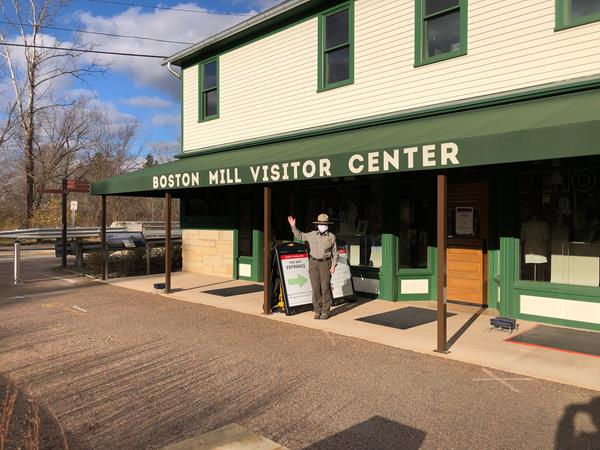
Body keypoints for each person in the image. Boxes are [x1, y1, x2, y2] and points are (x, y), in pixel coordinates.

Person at [287, 213, 338, 320]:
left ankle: (325, 311)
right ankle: (317, 310)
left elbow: (335, 253)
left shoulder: (332, 237)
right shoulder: (312, 234)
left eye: (324, 224)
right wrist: (293, 226)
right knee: (315, 288)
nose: (322, 225)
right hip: (313, 263)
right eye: (320, 223)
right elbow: (300, 236)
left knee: (325, 288)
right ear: (317, 224)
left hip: (325, 263)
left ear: (327, 225)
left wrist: (333, 266)